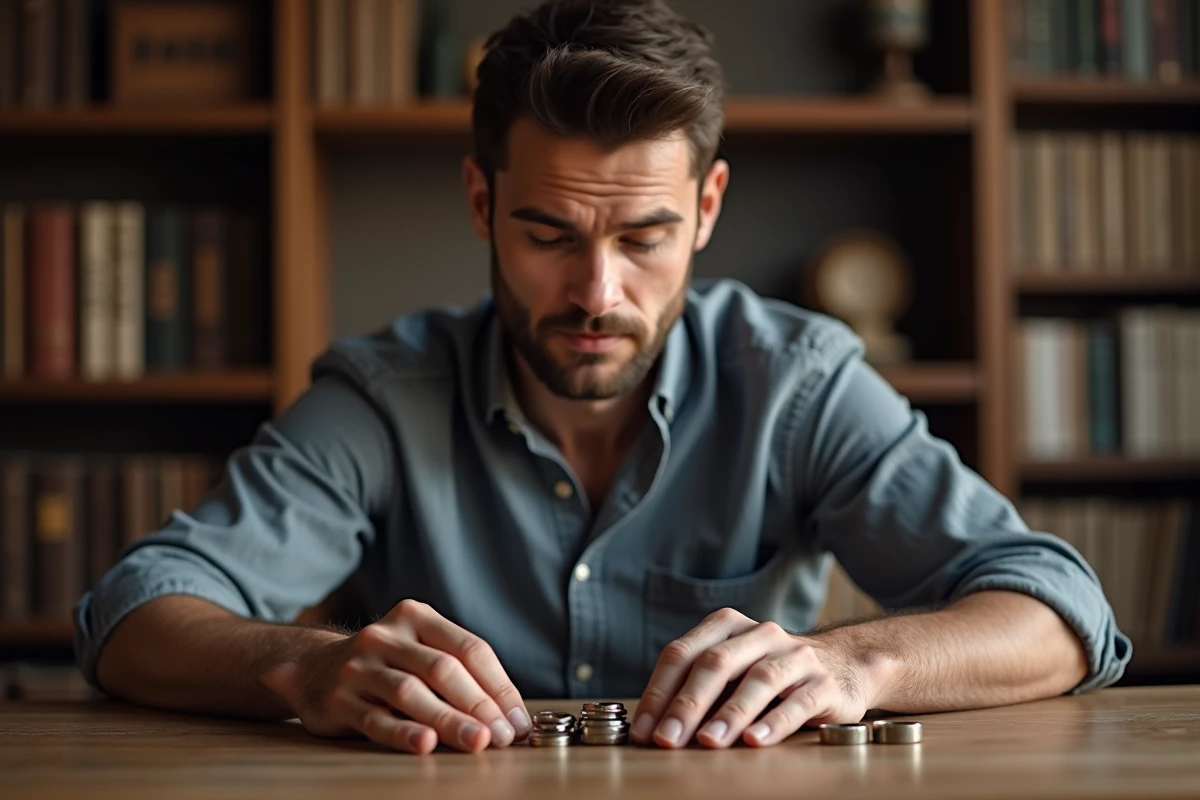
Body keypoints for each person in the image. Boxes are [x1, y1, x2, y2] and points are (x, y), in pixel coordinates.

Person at [75, 0, 1130, 756]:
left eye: (646, 235)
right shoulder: (384, 396)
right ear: (483, 203)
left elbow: (1059, 606)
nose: (596, 290)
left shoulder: (796, 381)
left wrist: (856, 665)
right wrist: (304, 666)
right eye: (548, 233)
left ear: (708, 208)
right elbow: (133, 613)